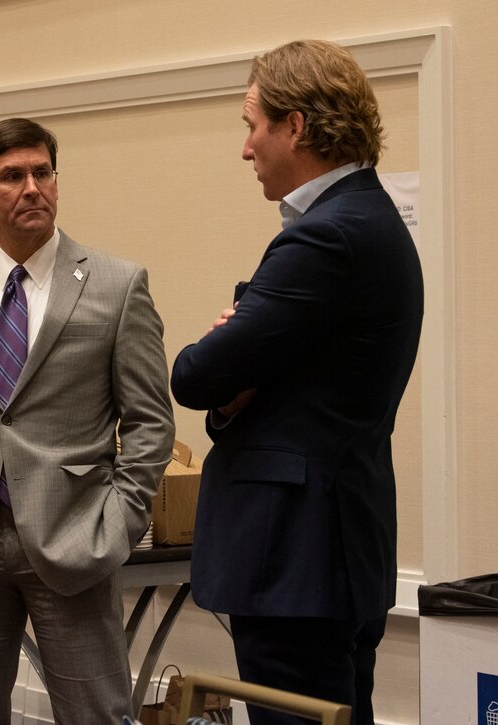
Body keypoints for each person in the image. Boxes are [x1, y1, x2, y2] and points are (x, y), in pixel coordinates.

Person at [171, 40, 424, 725]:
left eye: (252, 124)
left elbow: (192, 376)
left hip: (298, 562)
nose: (246, 147)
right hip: (331, 554)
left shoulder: (326, 238)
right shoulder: (363, 221)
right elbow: (256, 388)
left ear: (296, 126)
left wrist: (225, 360)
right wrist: (236, 378)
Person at [0, 117, 175, 724]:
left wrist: (117, 519)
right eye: (12, 176)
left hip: (74, 538)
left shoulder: (117, 286)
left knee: (97, 715)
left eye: (43, 172)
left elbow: (150, 421)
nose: (32, 187)